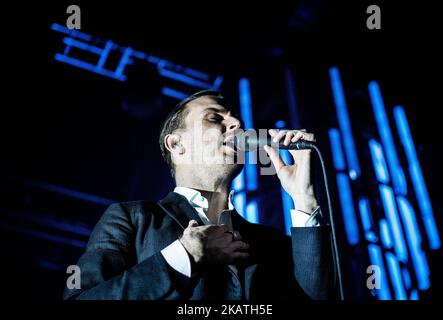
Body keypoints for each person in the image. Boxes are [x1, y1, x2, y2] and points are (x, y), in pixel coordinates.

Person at [63, 90, 334, 300]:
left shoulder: (271, 242)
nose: (237, 124)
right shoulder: (132, 218)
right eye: (215, 118)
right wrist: (184, 256)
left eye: (235, 119)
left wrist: (304, 197)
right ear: (176, 144)